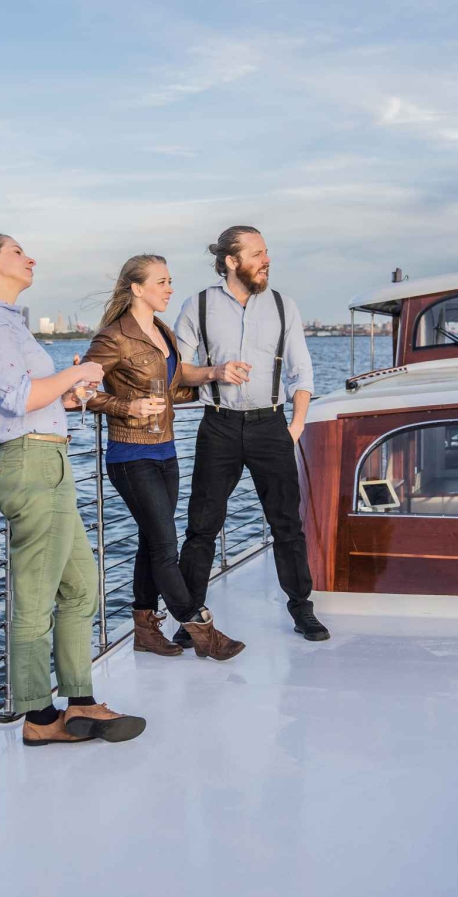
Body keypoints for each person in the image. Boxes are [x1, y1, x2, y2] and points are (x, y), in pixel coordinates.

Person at [0, 234, 146, 746]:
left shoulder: (6, 322)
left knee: (80, 586)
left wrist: (70, 394)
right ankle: (39, 717)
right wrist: (81, 370)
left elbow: (28, 398)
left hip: (49, 458)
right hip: (31, 463)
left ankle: (80, 701)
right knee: (35, 597)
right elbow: (17, 398)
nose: (30, 259)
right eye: (17, 251)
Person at [83, 255, 248, 660]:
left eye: (170, 280)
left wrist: (215, 377)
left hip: (166, 451)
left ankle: (145, 629)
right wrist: (128, 406)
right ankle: (200, 627)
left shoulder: (163, 332)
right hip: (130, 454)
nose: (170, 288)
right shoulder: (113, 337)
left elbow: (173, 387)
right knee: (164, 546)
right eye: (162, 282)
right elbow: (82, 390)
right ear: (137, 288)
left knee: (150, 541)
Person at [172, 226, 330, 641]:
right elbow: (178, 370)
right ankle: (190, 619)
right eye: (257, 253)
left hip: (271, 426)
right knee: (202, 526)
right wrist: (214, 371)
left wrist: (296, 426)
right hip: (218, 426)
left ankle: (302, 610)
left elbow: (301, 372)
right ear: (231, 261)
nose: (267, 260)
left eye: (266, 252)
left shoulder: (283, 305)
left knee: (287, 524)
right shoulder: (198, 305)